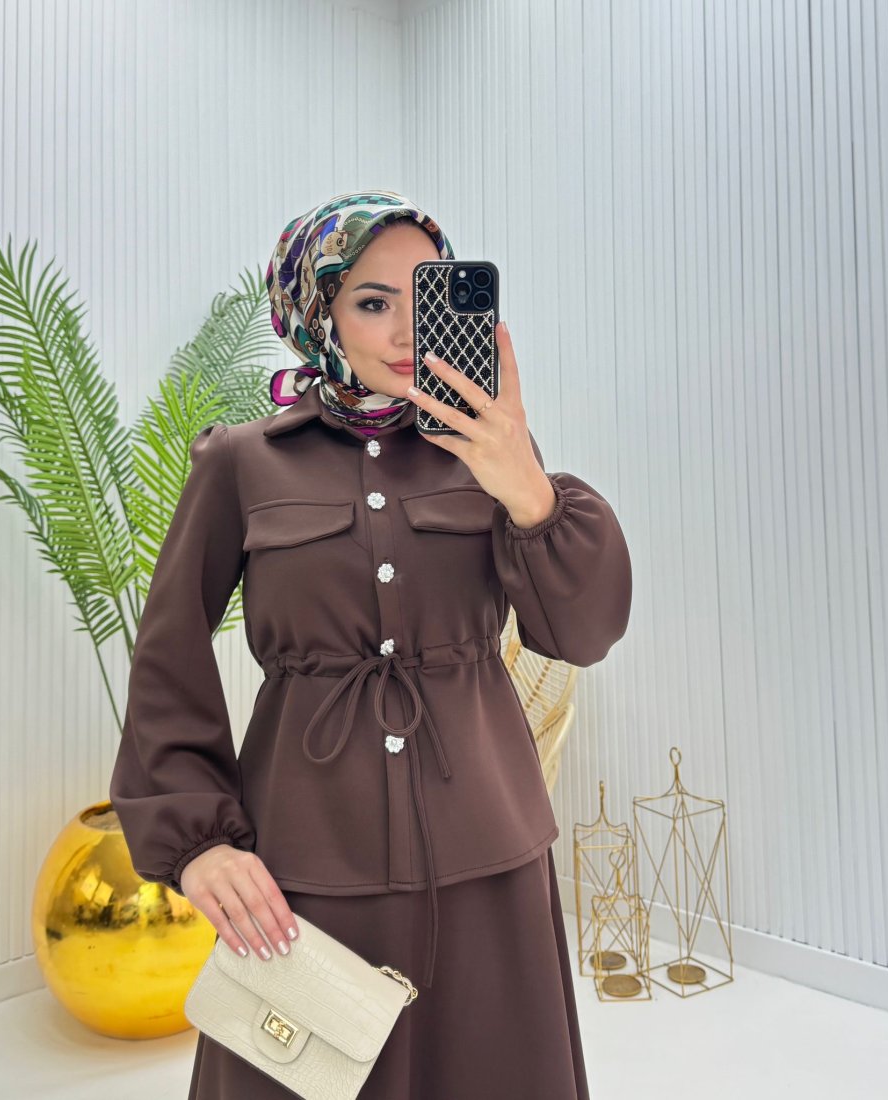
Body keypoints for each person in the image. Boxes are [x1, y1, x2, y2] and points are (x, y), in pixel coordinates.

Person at [109, 189, 632, 1099]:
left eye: (422, 297)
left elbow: (581, 634)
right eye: (372, 301)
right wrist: (198, 841)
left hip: (489, 851)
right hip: (305, 857)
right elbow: (169, 653)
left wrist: (528, 487)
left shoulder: (493, 454)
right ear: (319, 312)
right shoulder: (241, 461)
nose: (405, 331)